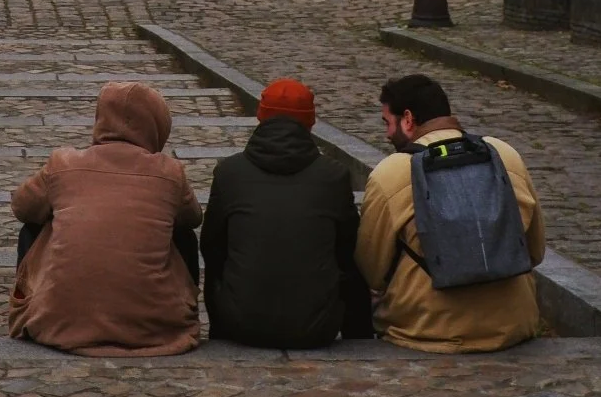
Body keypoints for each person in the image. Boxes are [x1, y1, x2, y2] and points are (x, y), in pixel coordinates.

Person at [355, 72, 546, 352]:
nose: (386, 133)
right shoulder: (505, 155)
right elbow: (535, 250)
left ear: (407, 119)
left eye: (388, 122)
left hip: (426, 328)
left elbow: (372, 271)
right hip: (513, 325)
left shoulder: (391, 173)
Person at [9, 79, 202, 353]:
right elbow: (193, 218)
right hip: (153, 327)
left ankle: (39, 300)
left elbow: (22, 207)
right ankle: (177, 308)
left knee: (36, 223)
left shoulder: (63, 163)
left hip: (58, 323)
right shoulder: (170, 172)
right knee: (182, 234)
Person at [200, 75, 370, 347]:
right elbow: (348, 251)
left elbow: (211, 247)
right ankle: (360, 336)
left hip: (240, 324)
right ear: (310, 122)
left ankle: (218, 333)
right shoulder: (333, 176)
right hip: (317, 327)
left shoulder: (230, 172)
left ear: (261, 116)